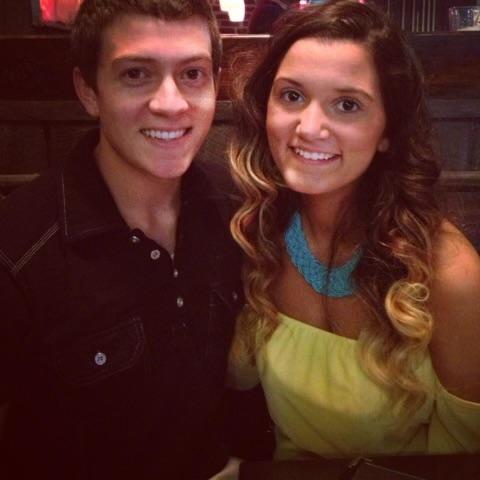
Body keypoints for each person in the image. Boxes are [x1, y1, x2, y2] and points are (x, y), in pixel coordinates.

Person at [0, 0, 243, 478]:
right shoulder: (18, 249)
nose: (171, 103)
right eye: (136, 74)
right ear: (88, 91)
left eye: (192, 74)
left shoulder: (239, 213)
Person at [228, 0, 480, 461]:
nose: (309, 128)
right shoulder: (255, 230)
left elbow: (463, 462)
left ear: (387, 131)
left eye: (347, 105)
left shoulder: (449, 274)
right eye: (292, 96)